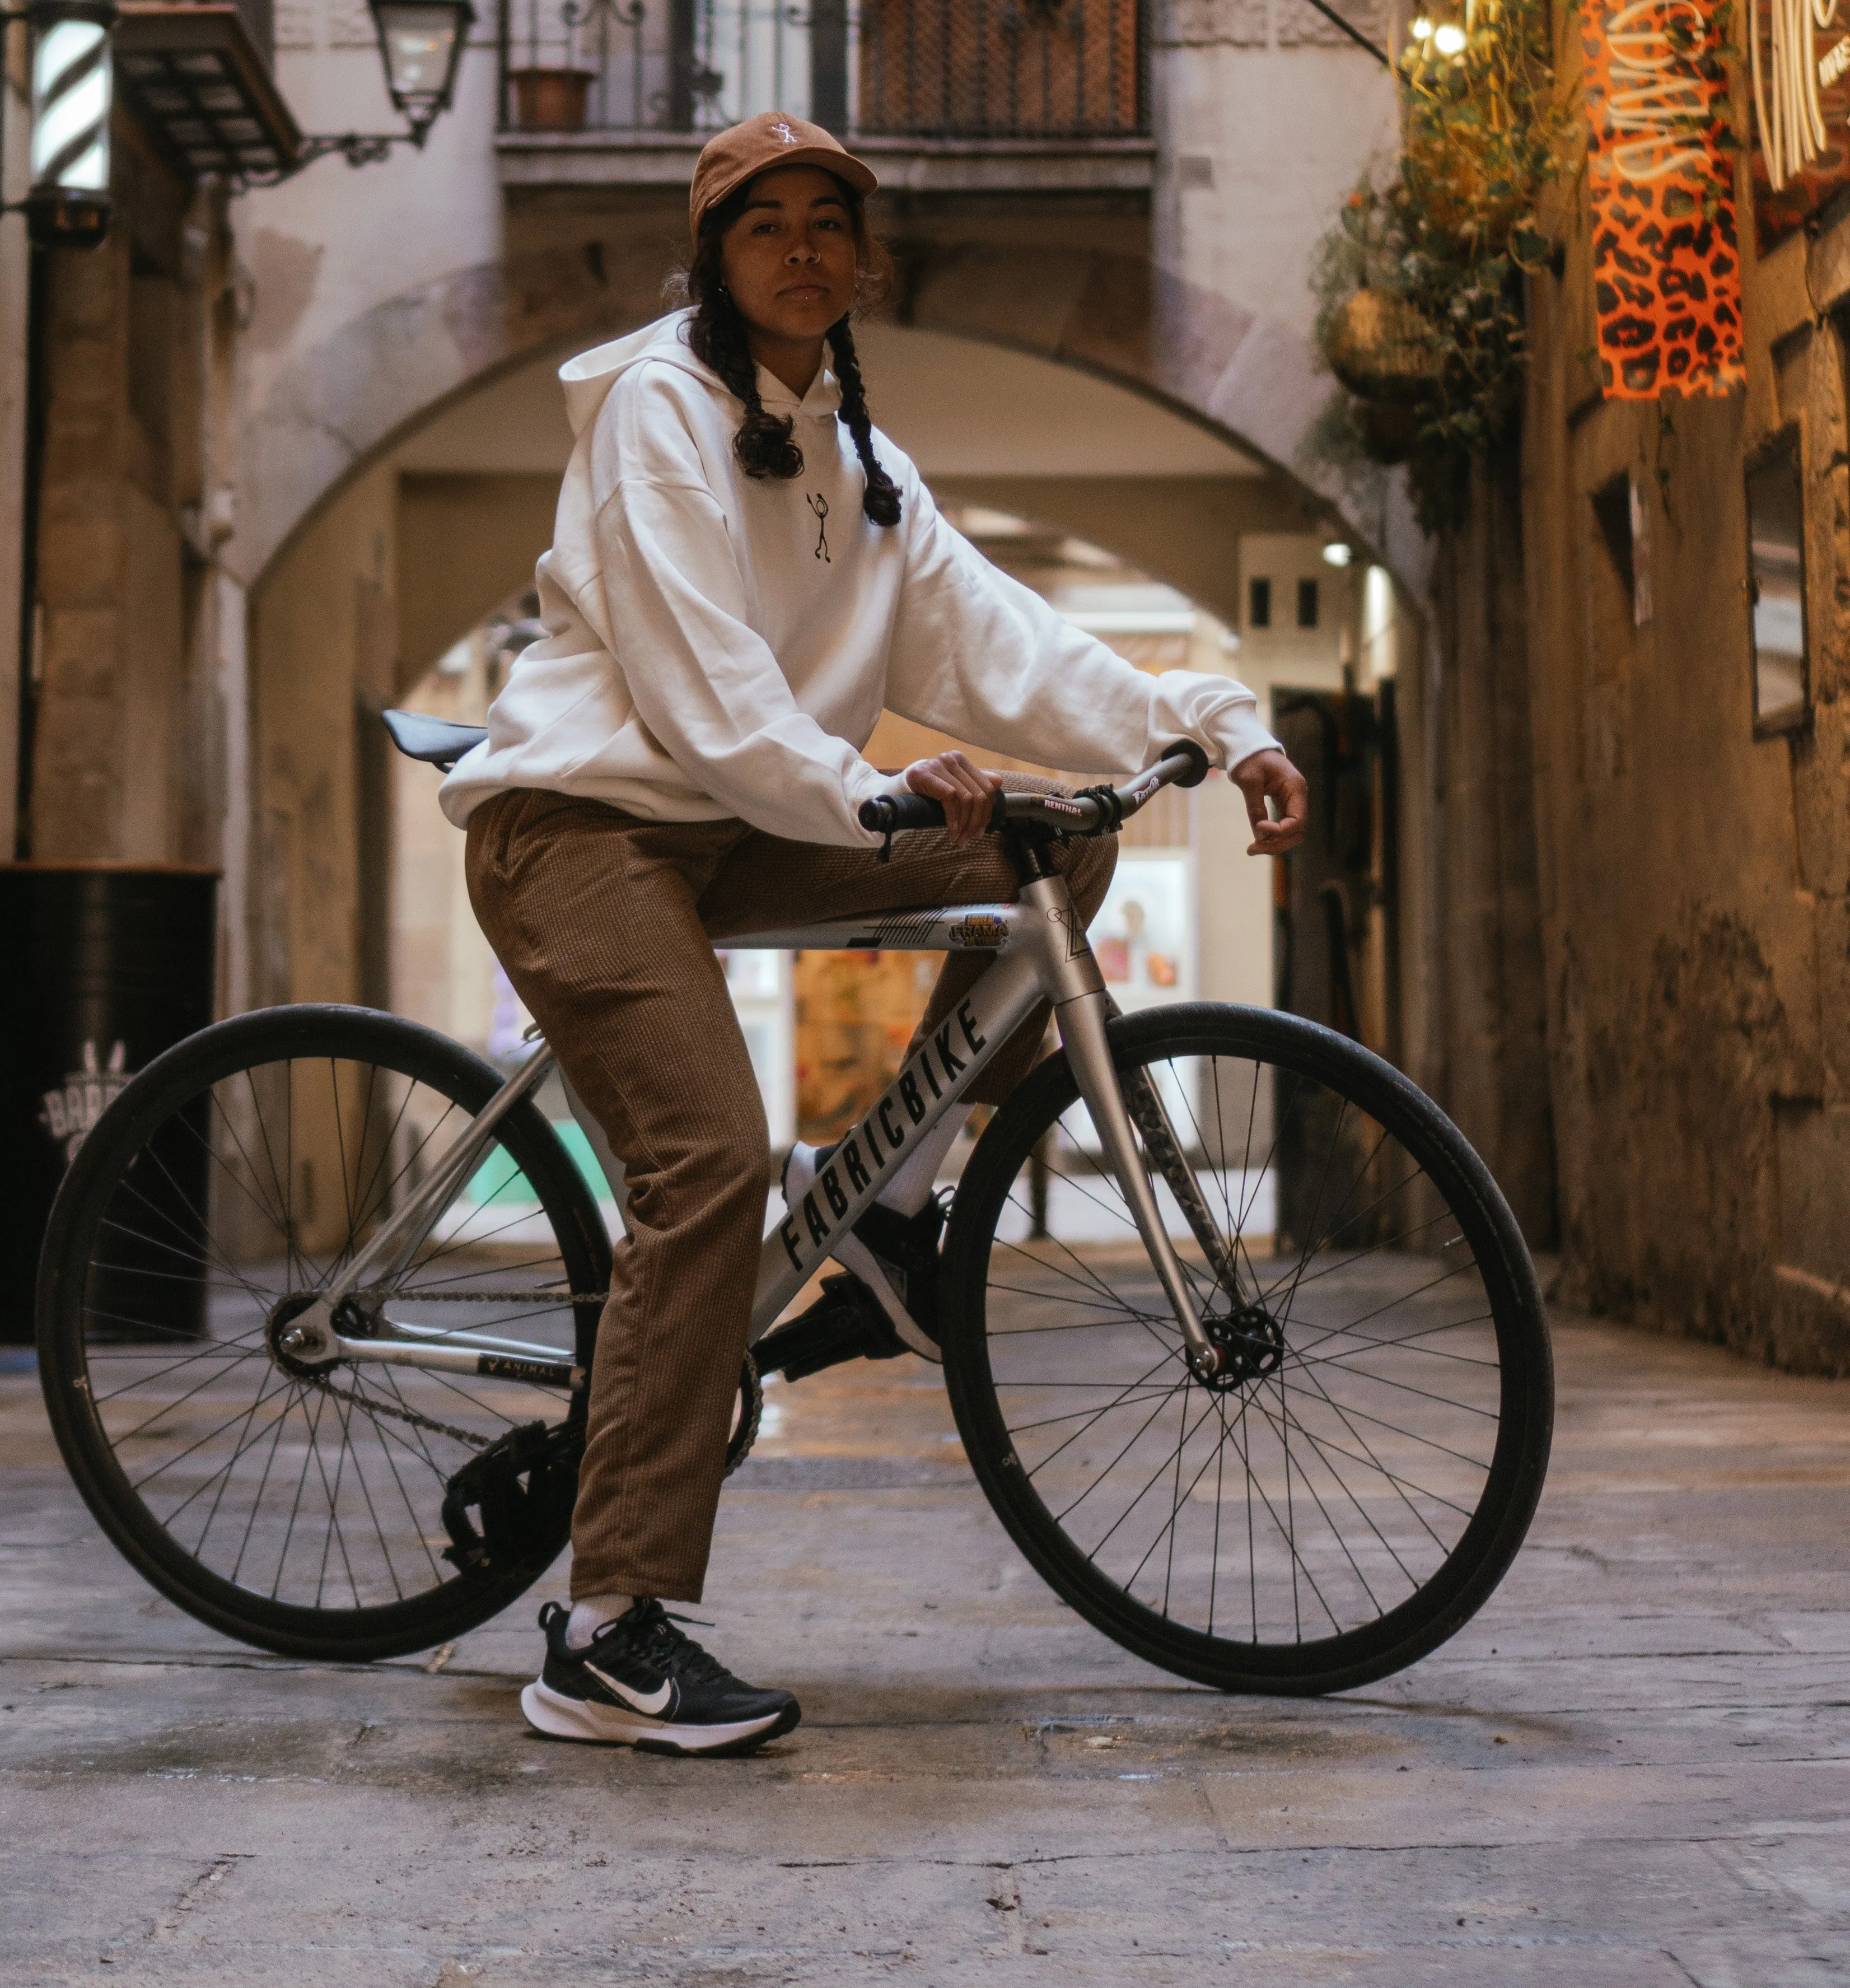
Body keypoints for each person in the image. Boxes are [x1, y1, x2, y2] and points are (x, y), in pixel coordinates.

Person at [443, 112, 1307, 1756]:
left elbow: (1013, 644)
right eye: (763, 223)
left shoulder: (862, 461)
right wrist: (871, 792)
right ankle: (610, 1632)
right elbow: (704, 685)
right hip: (588, 826)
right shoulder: (657, 411)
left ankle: (890, 1218)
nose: (801, 249)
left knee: (1054, 851)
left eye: (829, 223)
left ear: (866, 259)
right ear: (715, 258)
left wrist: (1215, 718)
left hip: (748, 823)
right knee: (707, 1161)